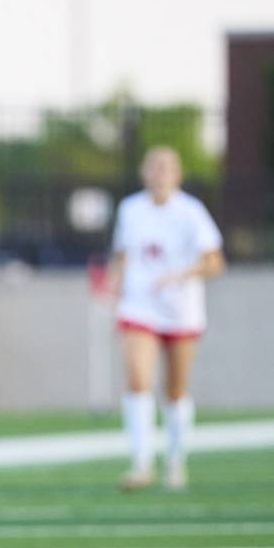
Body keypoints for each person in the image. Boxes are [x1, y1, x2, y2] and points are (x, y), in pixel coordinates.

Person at [109, 146, 224, 492]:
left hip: (180, 310)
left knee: (175, 388)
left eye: (166, 167)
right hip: (139, 306)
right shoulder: (129, 209)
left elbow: (215, 262)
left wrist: (181, 275)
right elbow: (123, 255)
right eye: (153, 167)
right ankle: (141, 463)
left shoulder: (191, 212)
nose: (159, 173)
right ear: (144, 173)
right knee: (138, 378)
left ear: (178, 174)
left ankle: (176, 461)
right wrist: (113, 282)